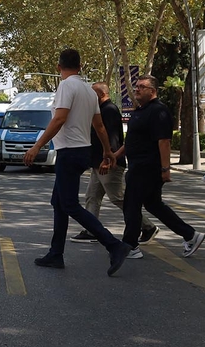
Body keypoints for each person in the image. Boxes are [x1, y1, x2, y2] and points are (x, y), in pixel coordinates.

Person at [25, 49, 129, 276]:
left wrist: (37, 146)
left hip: (69, 153)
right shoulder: (89, 91)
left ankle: (113, 245)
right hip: (83, 151)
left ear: (58, 66)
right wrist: (107, 151)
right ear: (80, 67)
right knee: (59, 202)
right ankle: (55, 253)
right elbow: (99, 126)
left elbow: (59, 118)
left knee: (69, 204)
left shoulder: (66, 86)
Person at [114, 76, 205, 258]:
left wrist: (166, 169)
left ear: (153, 91)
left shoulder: (158, 111)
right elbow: (133, 141)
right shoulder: (140, 111)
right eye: (137, 86)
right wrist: (115, 155)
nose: (137, 89)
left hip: (147, 168)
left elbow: (164, 141)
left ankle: (130, 245)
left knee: (131, 205)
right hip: (136, 166)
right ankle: (190, 235)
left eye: (142, 87)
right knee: (153, 205)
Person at [69, 82, 159, 258]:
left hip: (107, 163)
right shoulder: (101, 108)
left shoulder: (108, 110)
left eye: (92, 93)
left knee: (118, 198)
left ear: (101, 94)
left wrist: (109, 159)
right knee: (92, 196)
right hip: (98, 163)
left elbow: (112, 137)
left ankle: (147, 226)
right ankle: (91, 230)